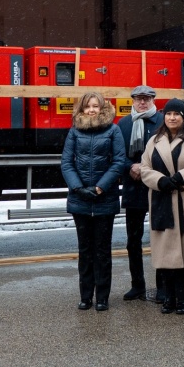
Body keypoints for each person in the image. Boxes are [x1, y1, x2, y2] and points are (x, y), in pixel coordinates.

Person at [140, 99, 184, 315]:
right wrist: (160, 181)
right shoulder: (154, 140)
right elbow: (144, 168)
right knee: (166, 255)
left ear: (183, 116)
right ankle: (168, 297)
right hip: (162, 202)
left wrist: (180, 177)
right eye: (169, 113)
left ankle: (183, 298)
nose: (172, 117)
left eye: (177, 114)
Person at [61, 92, 127, 312]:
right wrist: (78, 188)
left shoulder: (113, 130)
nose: (91, 110)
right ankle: (86, 296)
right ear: (81, 109)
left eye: (95, 106)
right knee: (85, 251)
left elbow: (118, 162)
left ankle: (102, 297)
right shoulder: (74, 131)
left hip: (104, 199)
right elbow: (66, 162)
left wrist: (100, 187)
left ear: (102, 109)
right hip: (80, 199)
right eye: (87, 106)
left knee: (102, 250)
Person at [117, 85, 163, 301]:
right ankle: (137, 285)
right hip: (133, 187)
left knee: (161, 238)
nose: (142, 102)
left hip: (157, 187)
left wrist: (144, 169)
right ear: (133, 100)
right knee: (132, 240)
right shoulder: (124, 124)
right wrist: (130, 167)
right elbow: (116, 154)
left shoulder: (163, 122)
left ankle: (163, 285)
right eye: (138, 99)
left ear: (153, 100)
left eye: (147, 98)